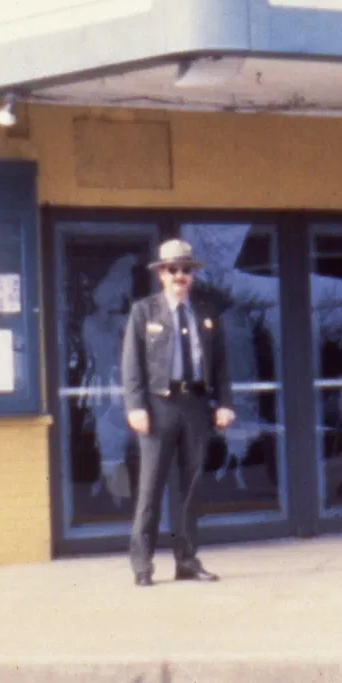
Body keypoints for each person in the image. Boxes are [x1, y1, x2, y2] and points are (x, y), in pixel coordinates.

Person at [120, 238, 235, 587]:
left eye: (186, 270)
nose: (180, 276)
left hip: (196, 405)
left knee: (191, 487)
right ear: (160, 274)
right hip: (158, 405)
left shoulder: (205, 313)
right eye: (173, 269)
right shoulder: (144, 311)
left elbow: (220, 364)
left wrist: (224, 402)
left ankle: (186, 560)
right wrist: (136, 406)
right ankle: (142, 565)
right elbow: (132, 364)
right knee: (151, 488)